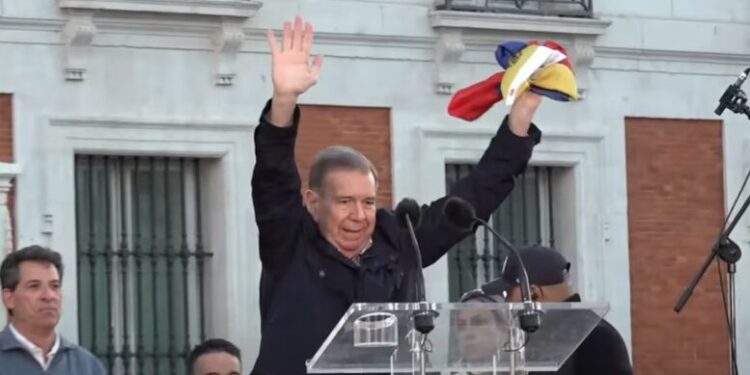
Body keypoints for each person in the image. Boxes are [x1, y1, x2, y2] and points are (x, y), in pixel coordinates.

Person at [251, 15, 544, 375]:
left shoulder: (398, 240)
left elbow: (475, 196)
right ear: (314, 203)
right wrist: (283, 101)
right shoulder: (290, 242)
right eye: (345, 202)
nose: (359, 215)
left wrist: (521, 118)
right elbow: (272, 176)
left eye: (369, 202)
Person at [489, 245, 633, 375]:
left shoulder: (596, 337)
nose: (507, 302)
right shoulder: (538, 336)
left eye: (508, 294)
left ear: (533, 293)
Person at [0, 245, 106, 375]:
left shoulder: (86, 365)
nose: (49, 296)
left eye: (54, 286)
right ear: (9, 298)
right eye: (34, 286)